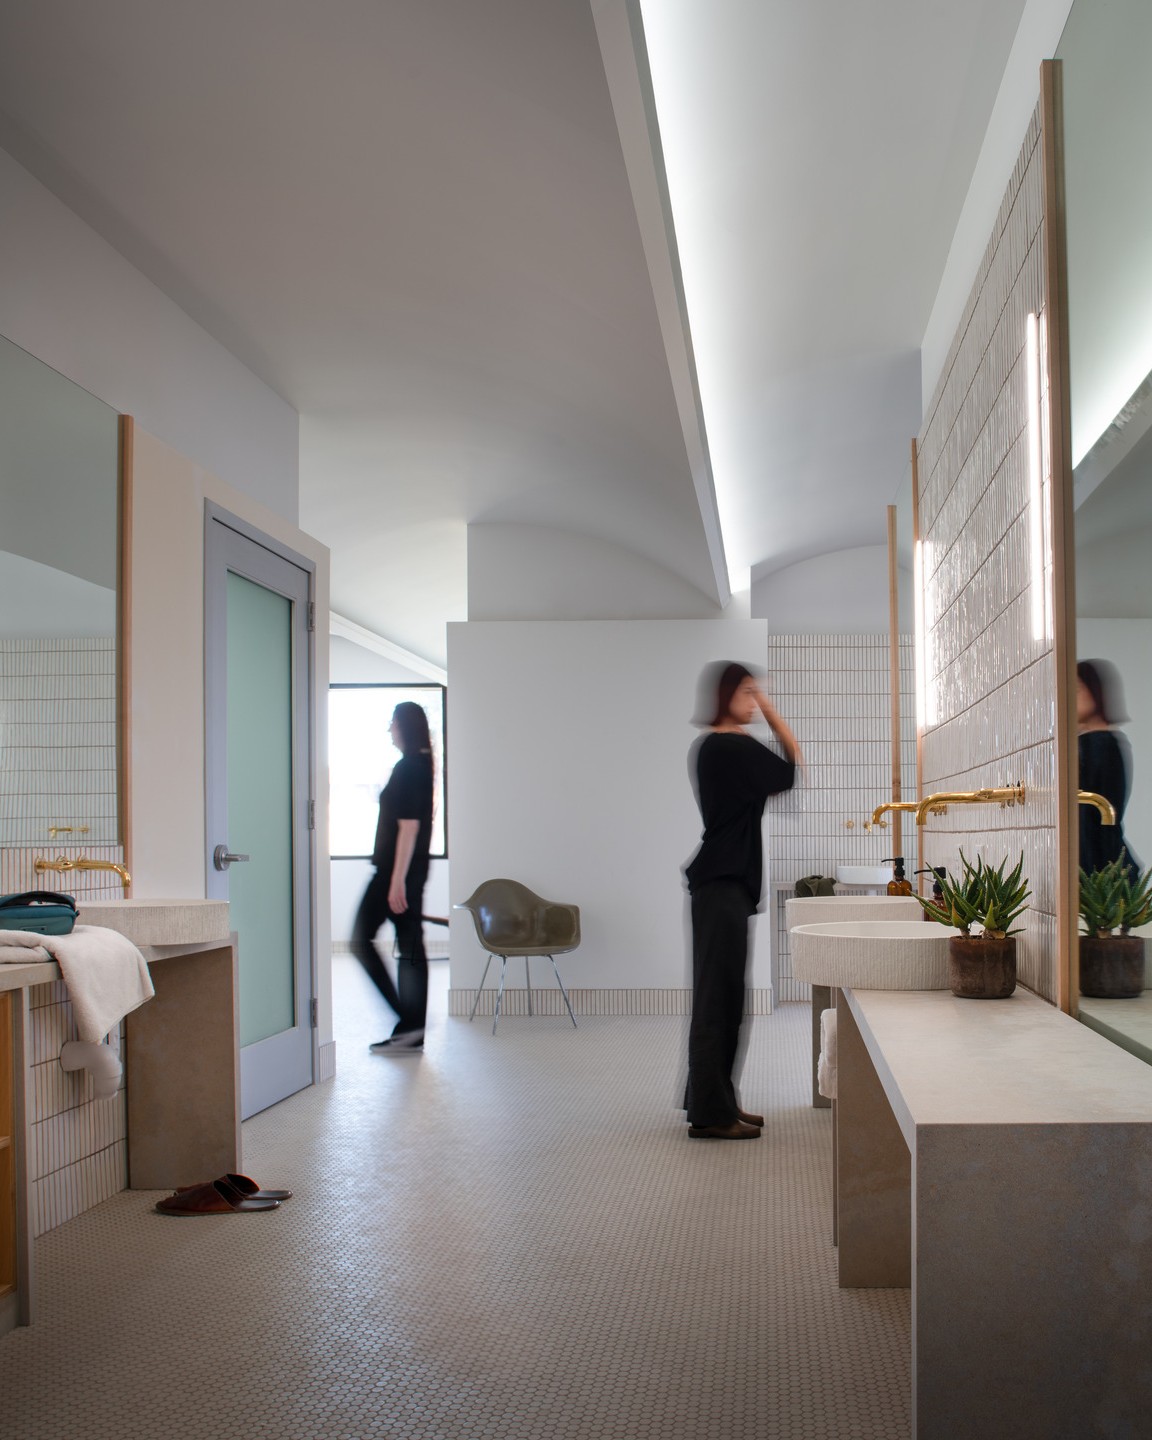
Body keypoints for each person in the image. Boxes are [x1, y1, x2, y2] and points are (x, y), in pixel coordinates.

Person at [683, 662, 801, 1139]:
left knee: (725, 999)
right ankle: (712, 1115)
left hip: (723, 885)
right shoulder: (726, 746)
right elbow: (790, 768)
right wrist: (771, 711)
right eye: (748, 693)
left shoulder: (719, 748)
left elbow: (780, 776)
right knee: (719, 1000)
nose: (755, 701)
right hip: (722, 885)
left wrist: (759, 706)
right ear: (728, 693)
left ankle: (718, 1103)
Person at [352, 701, 435, 1053]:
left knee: (361, 940)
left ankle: (409, 1022)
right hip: (403, 872)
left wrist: (397, 880)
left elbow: (409, 828)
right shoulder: (419, 764)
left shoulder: (410, 767)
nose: (389, 729)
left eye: (393, 723)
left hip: (395, 872)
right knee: (410, 944)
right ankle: (410, 1027)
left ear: (405, 726)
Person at [1077, 659, 1140, 877]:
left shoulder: (1102, 744)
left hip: (1103, 870)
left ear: (1093, 691)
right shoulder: (1089, 743)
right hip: (1100, 867)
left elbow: (1103, 817)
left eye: (1076, 690)